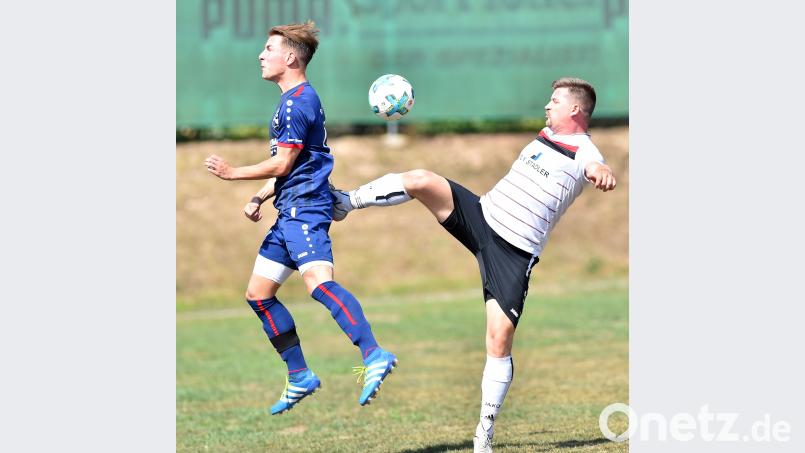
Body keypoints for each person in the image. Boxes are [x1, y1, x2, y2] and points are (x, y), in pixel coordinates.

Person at [332, 77, 616, 452]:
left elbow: (592, 163)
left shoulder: (583, 151)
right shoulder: (545, 135)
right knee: (421, 180)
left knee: (498, 341)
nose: (546, 106)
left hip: (513, 254)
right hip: (481, 215)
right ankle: (344, 203)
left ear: (576, 110)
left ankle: (484, 433)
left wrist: (601, 171)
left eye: (554, 101)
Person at [203, 21, 397, 416]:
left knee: (318, 285)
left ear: (290, 57)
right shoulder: (294, 100)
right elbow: (295, 166)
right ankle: (299, 376)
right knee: (258, 294)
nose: (261, 55)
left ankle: (373, 353)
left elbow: (286, 161)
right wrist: (259, 195)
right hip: (289, 207)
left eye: (269, 48)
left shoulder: (296, 103)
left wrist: (233, 173)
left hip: (305, 209)